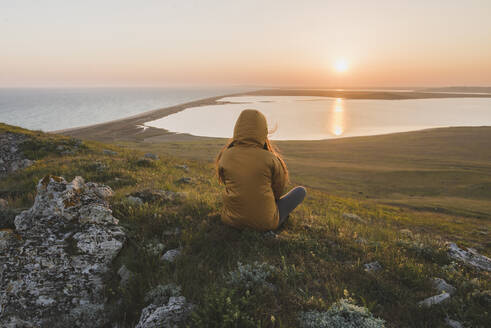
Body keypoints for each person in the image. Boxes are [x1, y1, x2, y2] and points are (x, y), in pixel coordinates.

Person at [215, 109, 306, 231]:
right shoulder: (271, 158)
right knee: (300, 191)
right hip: (265, 224)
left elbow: (228, 184)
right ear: (263, 131)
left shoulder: (225, 155)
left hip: (230, 220)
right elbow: (278, 191)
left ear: (237, 129)